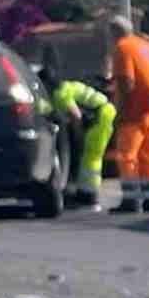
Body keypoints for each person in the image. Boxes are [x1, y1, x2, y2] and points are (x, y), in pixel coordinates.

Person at [106, 15, 149, 214]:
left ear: (114, 32)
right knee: (147, 155)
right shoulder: (145, 46)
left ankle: (131, 199)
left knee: (127, 156)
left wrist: (122, 111)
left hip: (133, 113)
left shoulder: (122, 48)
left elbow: (126, 82)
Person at [39, 67, 115, 213]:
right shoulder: (65, 86)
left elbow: (76, 116)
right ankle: (87, 193)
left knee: (90, 158)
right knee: (92, 157)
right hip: (103, 112)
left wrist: (79, 137)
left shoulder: (60, 94)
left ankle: (89, 197)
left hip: (99, 116)